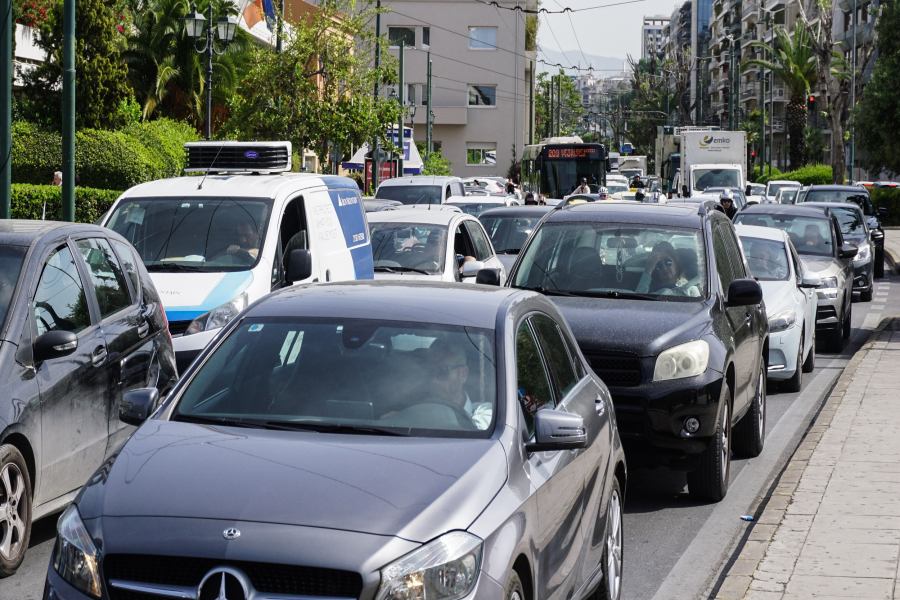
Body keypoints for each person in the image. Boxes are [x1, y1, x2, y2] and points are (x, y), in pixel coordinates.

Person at [426, 339, 491, 429]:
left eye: (442, 371)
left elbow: (474, 434)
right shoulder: (416, 414)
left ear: (463, 374)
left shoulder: (485, 412)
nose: (433, 380)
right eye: (430, 372)